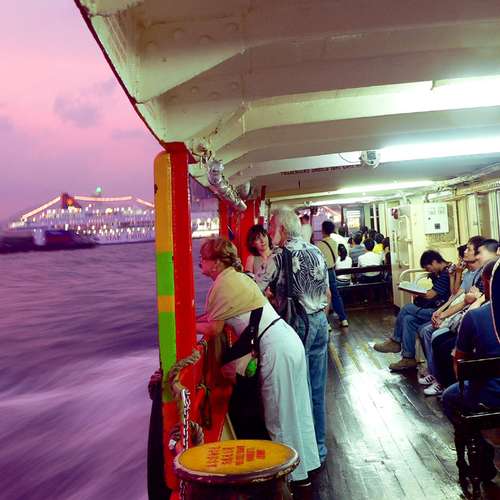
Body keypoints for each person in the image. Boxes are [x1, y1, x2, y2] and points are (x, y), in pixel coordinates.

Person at [195, 237, 320, 482]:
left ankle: (288, 479)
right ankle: (305, 469)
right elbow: (214, 319)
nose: (200, 262)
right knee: (297, 409)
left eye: (203, 258)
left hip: (276, 348)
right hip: (286, 340)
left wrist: (184, 324)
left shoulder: (223, 284)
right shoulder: (236, 277)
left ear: (217, 263)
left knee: (278, 416)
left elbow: (214, 328)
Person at [257, 207, 330, 464]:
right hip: (320, 321)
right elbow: (326, 292)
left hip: (299, 324)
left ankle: (305, 453)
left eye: (271, 227)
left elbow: (254, 290)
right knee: (317, 387)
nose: (269, 233)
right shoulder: (315, 250)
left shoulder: (279, 256)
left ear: (282, 229)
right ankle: (319, 447)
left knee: (300, 389)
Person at [441, 258, 500, 482]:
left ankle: (483, 449)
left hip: (491, 397)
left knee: (450, 396)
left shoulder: (476, 316)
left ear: (488, 283)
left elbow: (460, 366)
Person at [373, 250, 451, 371]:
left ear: (435, 262)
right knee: (408, 319)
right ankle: (408, 358)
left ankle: (395, 341)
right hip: (434, 308)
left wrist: (412, 290)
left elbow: (430, 295)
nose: (429, 271)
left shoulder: (446, 273)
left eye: (428, 267)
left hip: (440, 311)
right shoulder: (439, 273)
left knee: (406, 308)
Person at [316, 220, 349, 327]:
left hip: (323, 273)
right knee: (335, 296)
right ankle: (343, 319)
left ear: (323, 230)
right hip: (332, 272)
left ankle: (327, 323)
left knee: (324, 297)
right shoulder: (335, 243)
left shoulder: (319, 245)